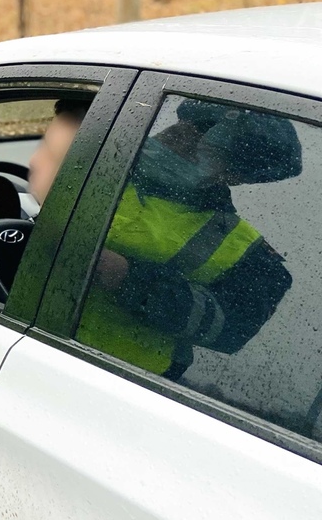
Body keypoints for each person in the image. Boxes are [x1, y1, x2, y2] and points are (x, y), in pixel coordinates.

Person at [29, 96, 295, 381]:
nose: (168, 138)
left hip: (114, 381)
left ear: (234, 174)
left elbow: (232, 331)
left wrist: (126, 277)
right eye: (181, 127)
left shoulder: (249, 253)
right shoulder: (103, 170)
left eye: (202, 140)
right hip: (26, 342)